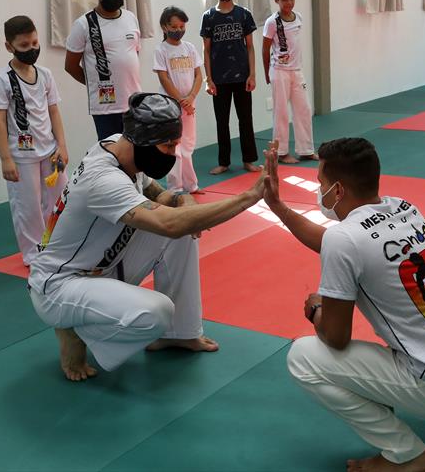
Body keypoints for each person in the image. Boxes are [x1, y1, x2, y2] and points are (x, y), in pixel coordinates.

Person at [261, 138, 425, 472]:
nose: (319, 190)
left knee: (303, 358)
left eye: (320, 183)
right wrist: (280, 209)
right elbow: (337, 244)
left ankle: (406, 454)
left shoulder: (344, 239)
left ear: (338, 190)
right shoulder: (404, 208)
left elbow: (336, 338)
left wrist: (316, 309)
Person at [28, 93, 266, 381]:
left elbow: (159, 195)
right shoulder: (103, 180)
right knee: (155, 311)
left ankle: (179, 333)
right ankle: (75, 328)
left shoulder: (119, 146)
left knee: (183, 230)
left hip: (101, 266)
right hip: (60, 286)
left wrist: (183, 202)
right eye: (168, 145)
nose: (173, 153)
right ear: (142, 142)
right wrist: (249, 197)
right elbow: (167, 224)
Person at [0, 15, 69, 266]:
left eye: (34, 43)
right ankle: (34, 254)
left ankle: (56, 244)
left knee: (61, 199)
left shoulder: (44, 75)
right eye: (24, 46)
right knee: (28, 207)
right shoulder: (1, 80)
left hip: (49, 149)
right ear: (9, 47)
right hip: (21, 156)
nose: (32, 49)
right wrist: (5, 159)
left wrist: (62, 145)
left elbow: (53, 111)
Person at [64, 0, 141, 139]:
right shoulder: (84, 24)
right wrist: (94, 83)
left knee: (135, 156)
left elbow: (134, 53)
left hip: (134, 102)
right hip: (107, 107)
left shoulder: (131, 18)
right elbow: (70, 66)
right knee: (111, 157)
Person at [200, 0, 260, 175]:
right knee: (222, 121)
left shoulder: (243, 14)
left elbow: (250, 46)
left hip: (242, 76)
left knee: (246, 119)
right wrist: (209, 79)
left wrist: (253, 74)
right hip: (219, 78)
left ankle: (249, 160)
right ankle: (223, 162)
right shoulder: (209, 17)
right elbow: (206, 50)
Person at [262, 0, 318, 164]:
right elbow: (265, 48)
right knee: (281, 112)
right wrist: (266, 73)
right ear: (276, 0)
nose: (289, 3)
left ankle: (306, 149)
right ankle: (281, 152)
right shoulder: (272, 22)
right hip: (279, 71)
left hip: (296, 70)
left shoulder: (298, 17)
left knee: (304, 109)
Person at [153, 6, 204, 194]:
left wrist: (190, 98)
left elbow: (199, 75)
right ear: (165, 27)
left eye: (182, 26)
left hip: (189, 105)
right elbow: (164, 78)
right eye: (174, 26)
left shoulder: (189, 48)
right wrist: (180, 100)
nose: (179, 30)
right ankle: (175, 187)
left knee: (188, 145)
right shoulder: (161, 50)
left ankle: (192, 185)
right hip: (170, 106)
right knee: (174, 147)